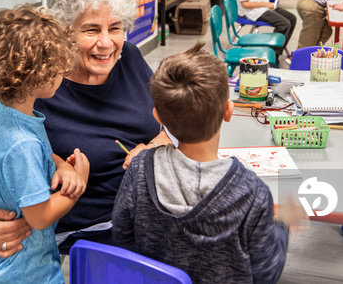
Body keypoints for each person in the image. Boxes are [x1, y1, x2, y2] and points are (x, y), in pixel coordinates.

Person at [0, 0, 173, 257]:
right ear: (65, 33)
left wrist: (153, 147)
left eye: (115, 28)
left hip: (149, 205)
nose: (106, 43)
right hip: (95, 227)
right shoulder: (40, 87)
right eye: (91, 30)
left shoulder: (129, 57)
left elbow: (169, 126)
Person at [112, 42, 292, 284]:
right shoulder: (252, 192)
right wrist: (282, 226)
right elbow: (266, 273)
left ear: (158, 117)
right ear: (228, 111)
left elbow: (122, 237)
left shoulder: (140, 168)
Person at [0, 5, 90, 283]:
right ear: (36, 74)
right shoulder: (21, 143)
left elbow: (35, 156)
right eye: (57, 67)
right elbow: (39, 217)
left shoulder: (5, 113)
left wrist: (60, 165)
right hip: (26, 271)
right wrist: (78, 185)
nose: (62, 72)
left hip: (4, 266)